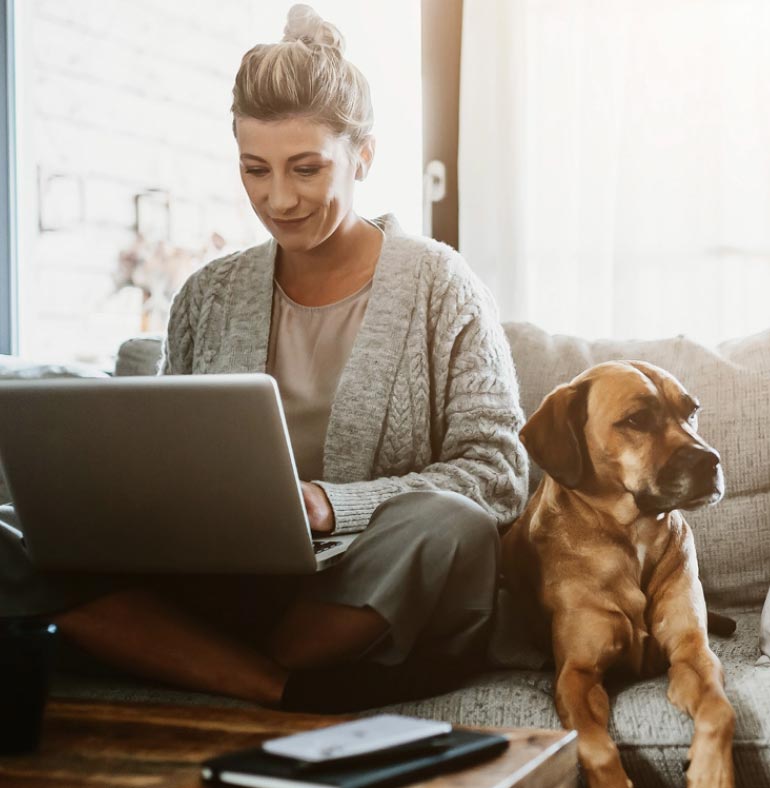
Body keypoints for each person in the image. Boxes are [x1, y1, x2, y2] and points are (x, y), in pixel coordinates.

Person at [0, 5, 528, 710]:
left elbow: (496, 475)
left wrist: (329, 506)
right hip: (220, 581)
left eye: (306, 169)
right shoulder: (207, 294)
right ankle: (282, 687)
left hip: (363, 582)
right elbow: (163, 456)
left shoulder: (441, 285)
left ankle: (191, 654)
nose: (278, 198)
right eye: (255, 170)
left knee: (449, 526)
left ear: (363, 155)